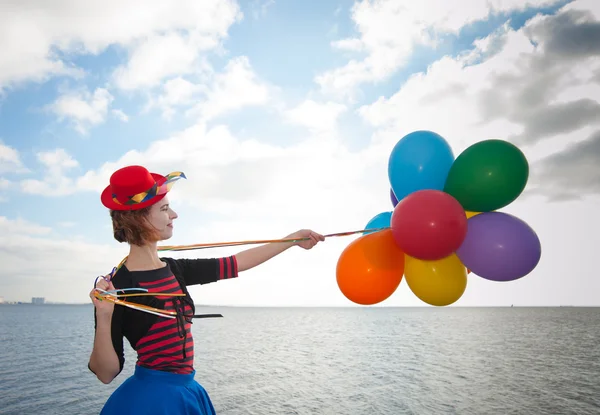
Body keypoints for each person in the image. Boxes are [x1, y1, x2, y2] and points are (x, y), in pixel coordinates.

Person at [88, 165, 324, 414]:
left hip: (187, 392)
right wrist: (104, 316)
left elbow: (237, 262)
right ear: (140, 218)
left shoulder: (175, 269)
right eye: (165, 209)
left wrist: (292, 240)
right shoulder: (118, 288)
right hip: (150, 403)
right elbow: (106, 373)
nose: (175, 215)